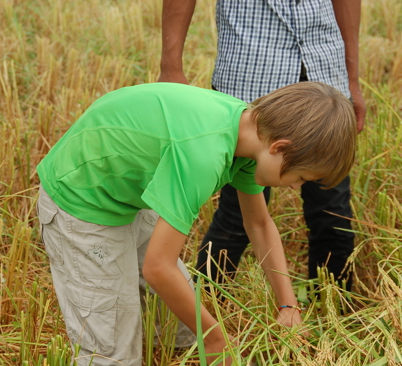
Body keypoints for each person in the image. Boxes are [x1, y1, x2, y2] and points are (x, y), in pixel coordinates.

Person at [36, 81, 357, 366]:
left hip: (128, 193)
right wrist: (215, 338)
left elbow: (258, 224)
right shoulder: (204, 154)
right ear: (280, 148)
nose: (297, 187)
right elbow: (158, 268)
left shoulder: (250, 135)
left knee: (181, 331)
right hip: (82, 202)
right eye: (300, 177)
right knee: (112, 352)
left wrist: (288, 304)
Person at [158, 0, 367, 290]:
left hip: (325, 78)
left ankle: (333, 311)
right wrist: (170, 65)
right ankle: (203, 304)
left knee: (333, 210)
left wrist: (351, 79)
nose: (295, 187)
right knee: (236, 215)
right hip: (251, 78)